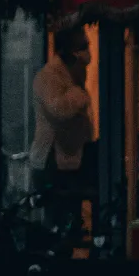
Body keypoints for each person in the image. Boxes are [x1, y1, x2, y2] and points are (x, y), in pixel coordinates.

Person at [30, 21, 96, 244]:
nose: (88, 53)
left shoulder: (74, 74)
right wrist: (79, 93)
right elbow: (58, 109)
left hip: (72, 157)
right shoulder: (49, 77)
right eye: (83, 46)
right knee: (57, 220)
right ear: (69, 51)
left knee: (72, 218)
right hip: (52, 160)